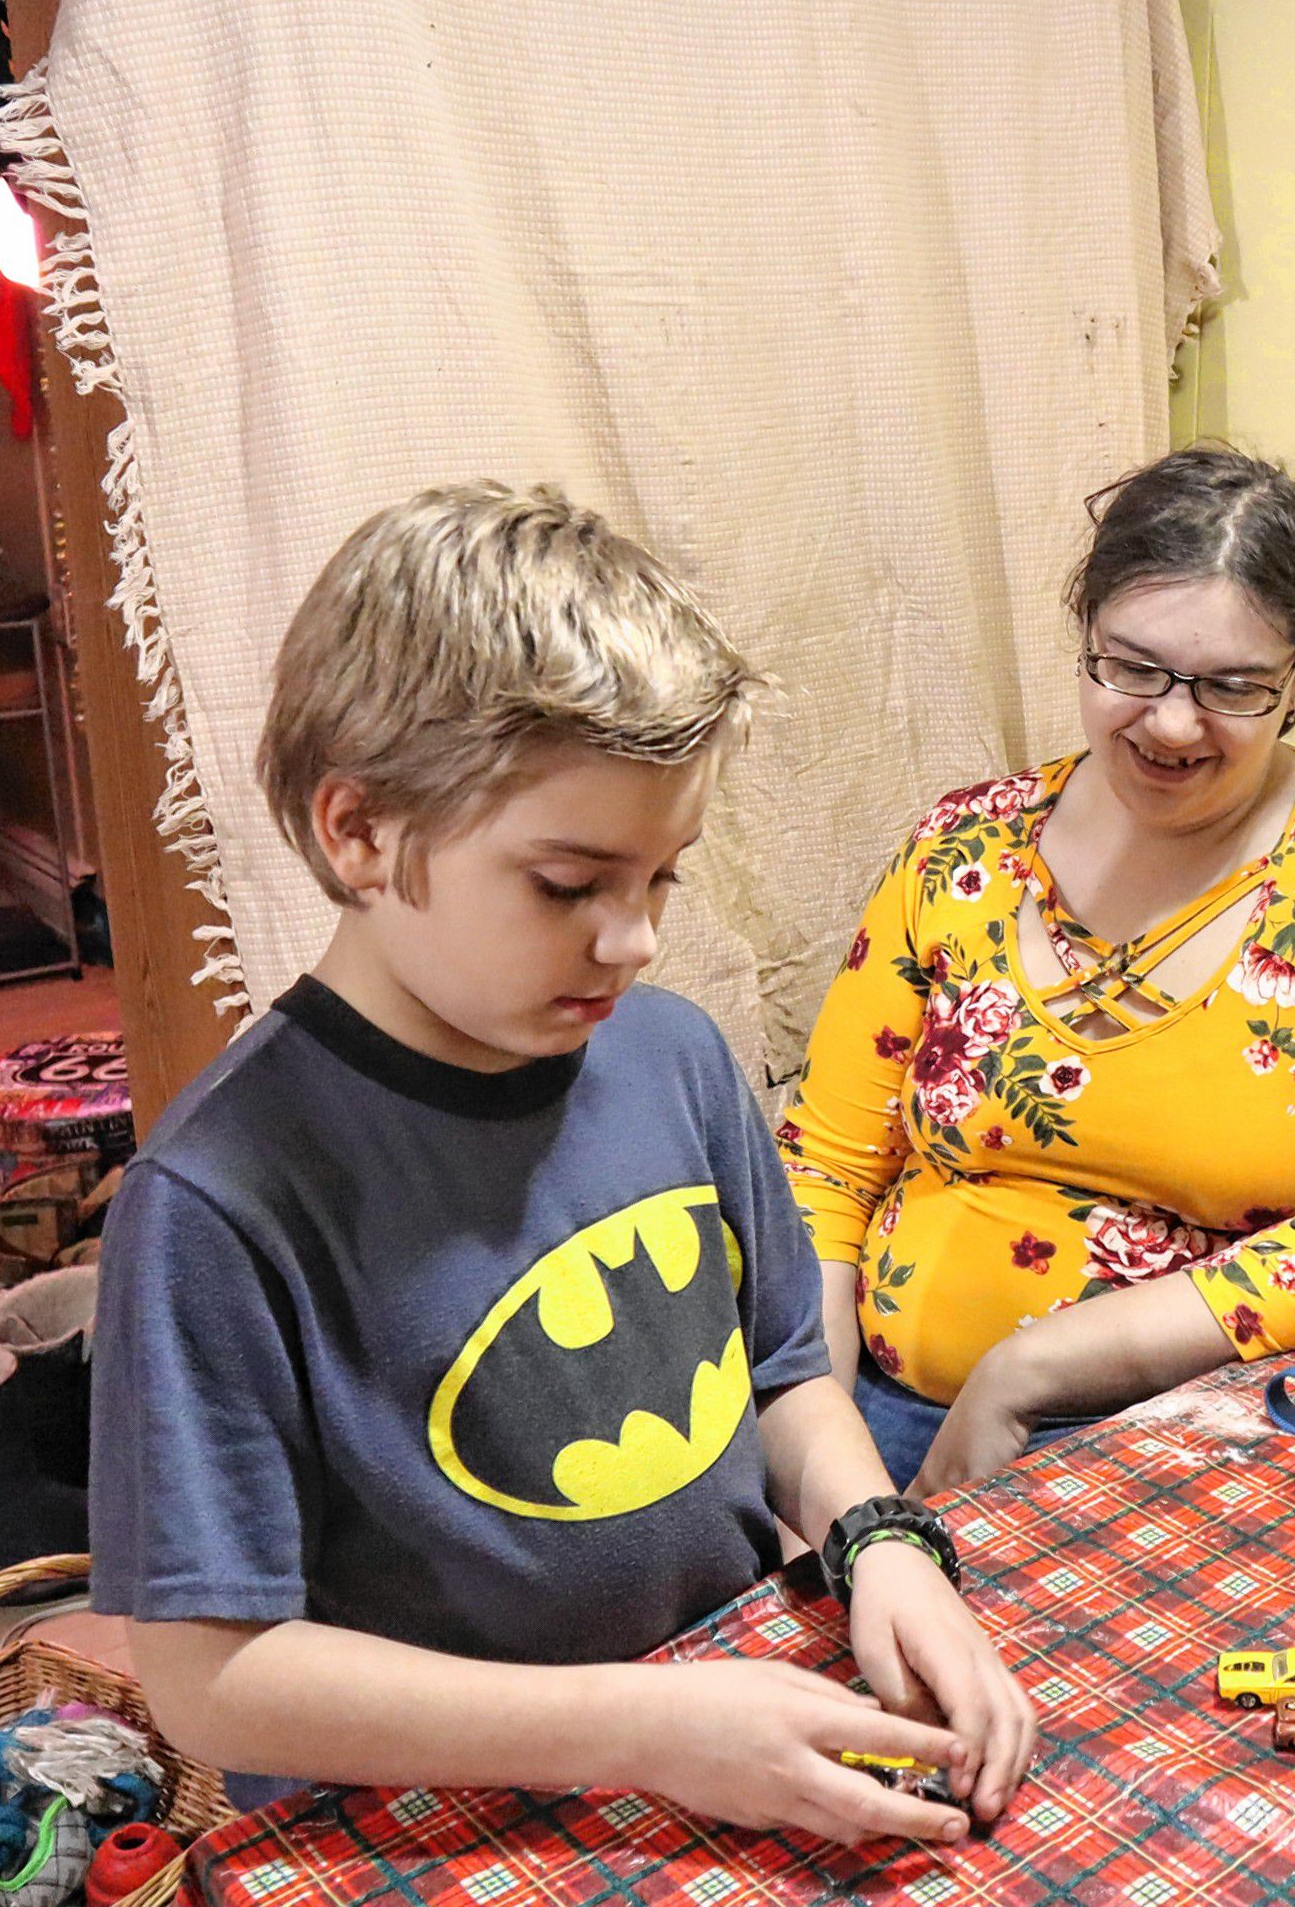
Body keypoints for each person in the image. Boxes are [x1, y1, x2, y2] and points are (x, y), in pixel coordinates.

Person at [89, 484, 1032, 1844]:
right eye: (566, 884)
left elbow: (779, 1379)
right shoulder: (216, 1201)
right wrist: (635, 1731)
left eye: (663, 880)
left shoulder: (674, 1058)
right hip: (427, 1823)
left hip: (710, 1734)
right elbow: (214, 1683)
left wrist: (880, 1540)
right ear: (358, 831)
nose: (633, 940)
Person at [780, 447, 1295, 1493]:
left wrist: (1025, 1370)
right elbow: (827, 1170)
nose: (1169, 722)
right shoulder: (964, 844)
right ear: (1085, 632)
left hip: (1184, 1442)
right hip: (877, 1410)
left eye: (1232, 687)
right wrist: (820, 1457)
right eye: (1131, 666)